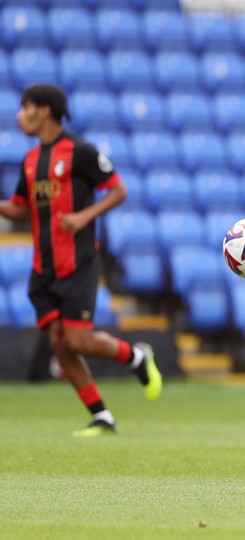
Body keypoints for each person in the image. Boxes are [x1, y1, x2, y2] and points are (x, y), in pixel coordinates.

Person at [0, 84, 162, 437]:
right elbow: (19, 207)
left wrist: (84, 217)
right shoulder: (30, 161)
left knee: (76, 341)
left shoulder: (80, 151)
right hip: (42, 267)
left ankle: (137, 357)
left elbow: (119, 189)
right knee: (59, 341)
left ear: (43, 110)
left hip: (79, 261)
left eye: (23, 107)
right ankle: (101, 415)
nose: (18, 115)